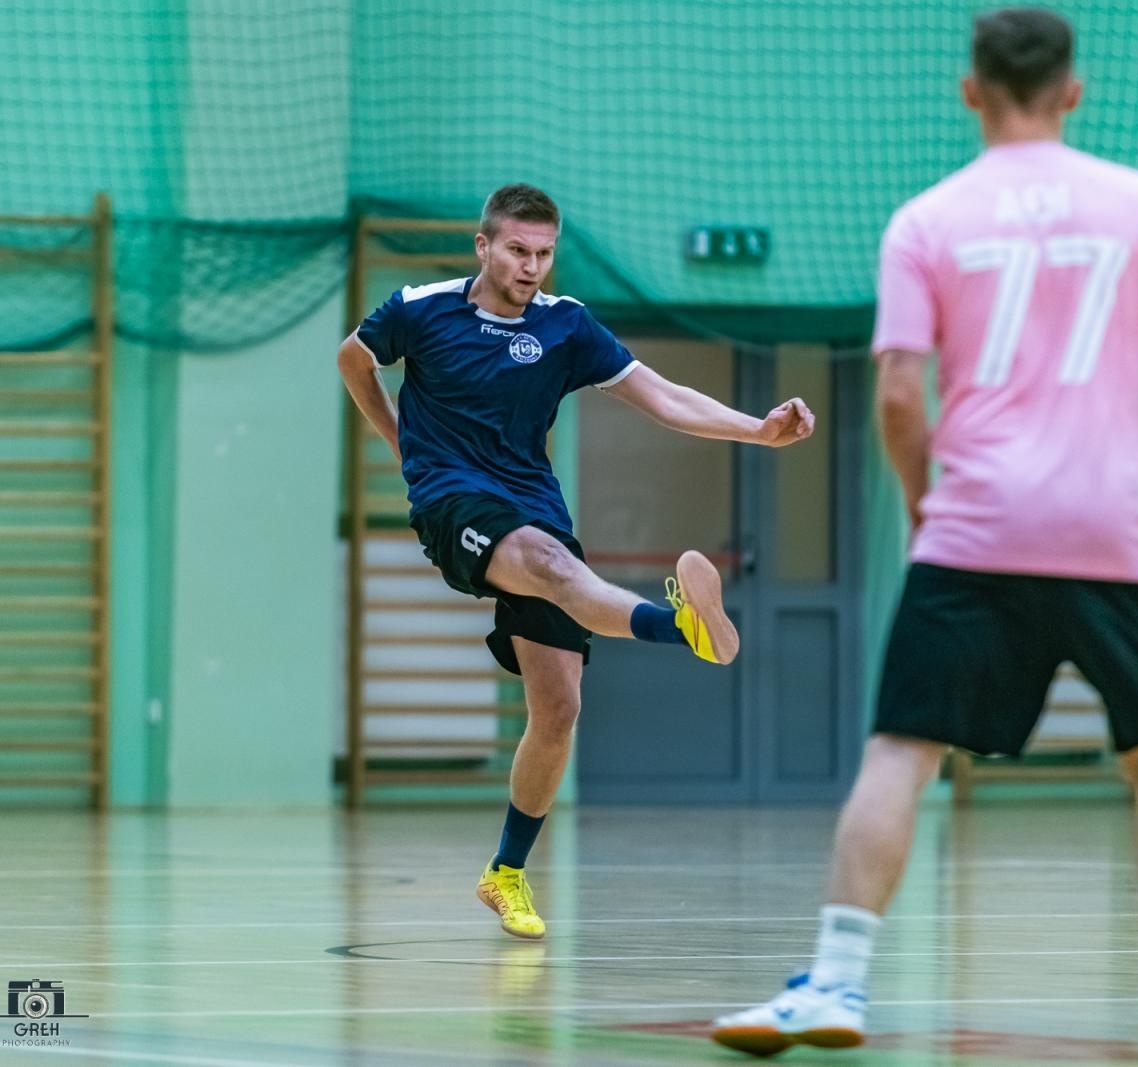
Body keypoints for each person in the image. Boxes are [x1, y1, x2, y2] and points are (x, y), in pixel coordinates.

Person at [712, 7, 1138, 1057]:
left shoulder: (927, 219)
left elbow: (896, 397)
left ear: (970, 91)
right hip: (1116, 537)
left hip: (974, 530)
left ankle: (834, 982)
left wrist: (928, 501)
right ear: (1074, 90)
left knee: (900, 750)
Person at [338, 183, 814, 941]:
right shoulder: (420, 309)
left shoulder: (566, 327)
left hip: (537, 508)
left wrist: (757, 430)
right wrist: (402, 444)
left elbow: (660, 395)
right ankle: (681, 626)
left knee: (558, 708)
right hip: (454, 504)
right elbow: (354, 361)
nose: (532, 267)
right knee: (558, 574)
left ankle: (505, 873)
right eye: (518, 251)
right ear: (483, 246)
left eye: (544, 253)